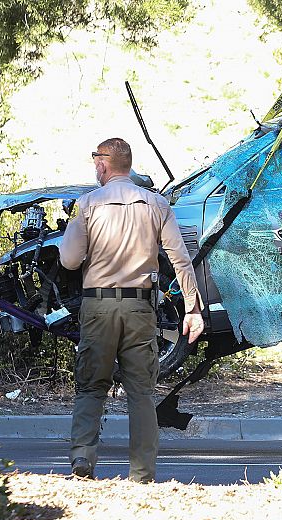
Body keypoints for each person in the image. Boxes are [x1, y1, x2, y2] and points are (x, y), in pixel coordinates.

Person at [59, 138, 205, 483]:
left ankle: (82, 459)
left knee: (91, 386)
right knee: (141, 392)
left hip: (98, 307)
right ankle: (142, 474)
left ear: (102, 165)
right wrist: (192, 309)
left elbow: (69, 260)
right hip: (140, 308)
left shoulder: (87, 204)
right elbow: (180, 259)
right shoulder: (157, 204)